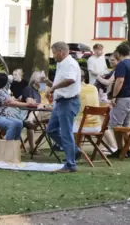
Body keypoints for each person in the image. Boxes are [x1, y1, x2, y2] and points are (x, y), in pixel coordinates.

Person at [44, 41, 82, 173]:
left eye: (54, 53)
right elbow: (61, 82)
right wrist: (48, 82)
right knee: (51, 130)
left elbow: (70, 80)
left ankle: (70, 164)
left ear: (61, 52)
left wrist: (53, 87)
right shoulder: (61, 64)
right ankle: (74, 150)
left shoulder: (70, 63)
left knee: (66, 133)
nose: (53, 56)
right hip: (60, 102)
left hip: (68, 102)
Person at [0, 72, 32, 140]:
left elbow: (10, 100)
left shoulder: (1, 90)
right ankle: (7, 147)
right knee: (12, 124)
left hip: (0, 116)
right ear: (4, 83)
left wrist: (25, 102)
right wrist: (28, 104)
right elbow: (10, 103)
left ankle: (15, 145)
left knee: (19, 123)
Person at [110, 43, 130, 158]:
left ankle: (120, 149)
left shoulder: (122, 64)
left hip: (123, 97)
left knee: (116, 125)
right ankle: (127, 150)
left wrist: (114, 96)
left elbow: (120, 81)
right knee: (126, 125)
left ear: (118, 53)